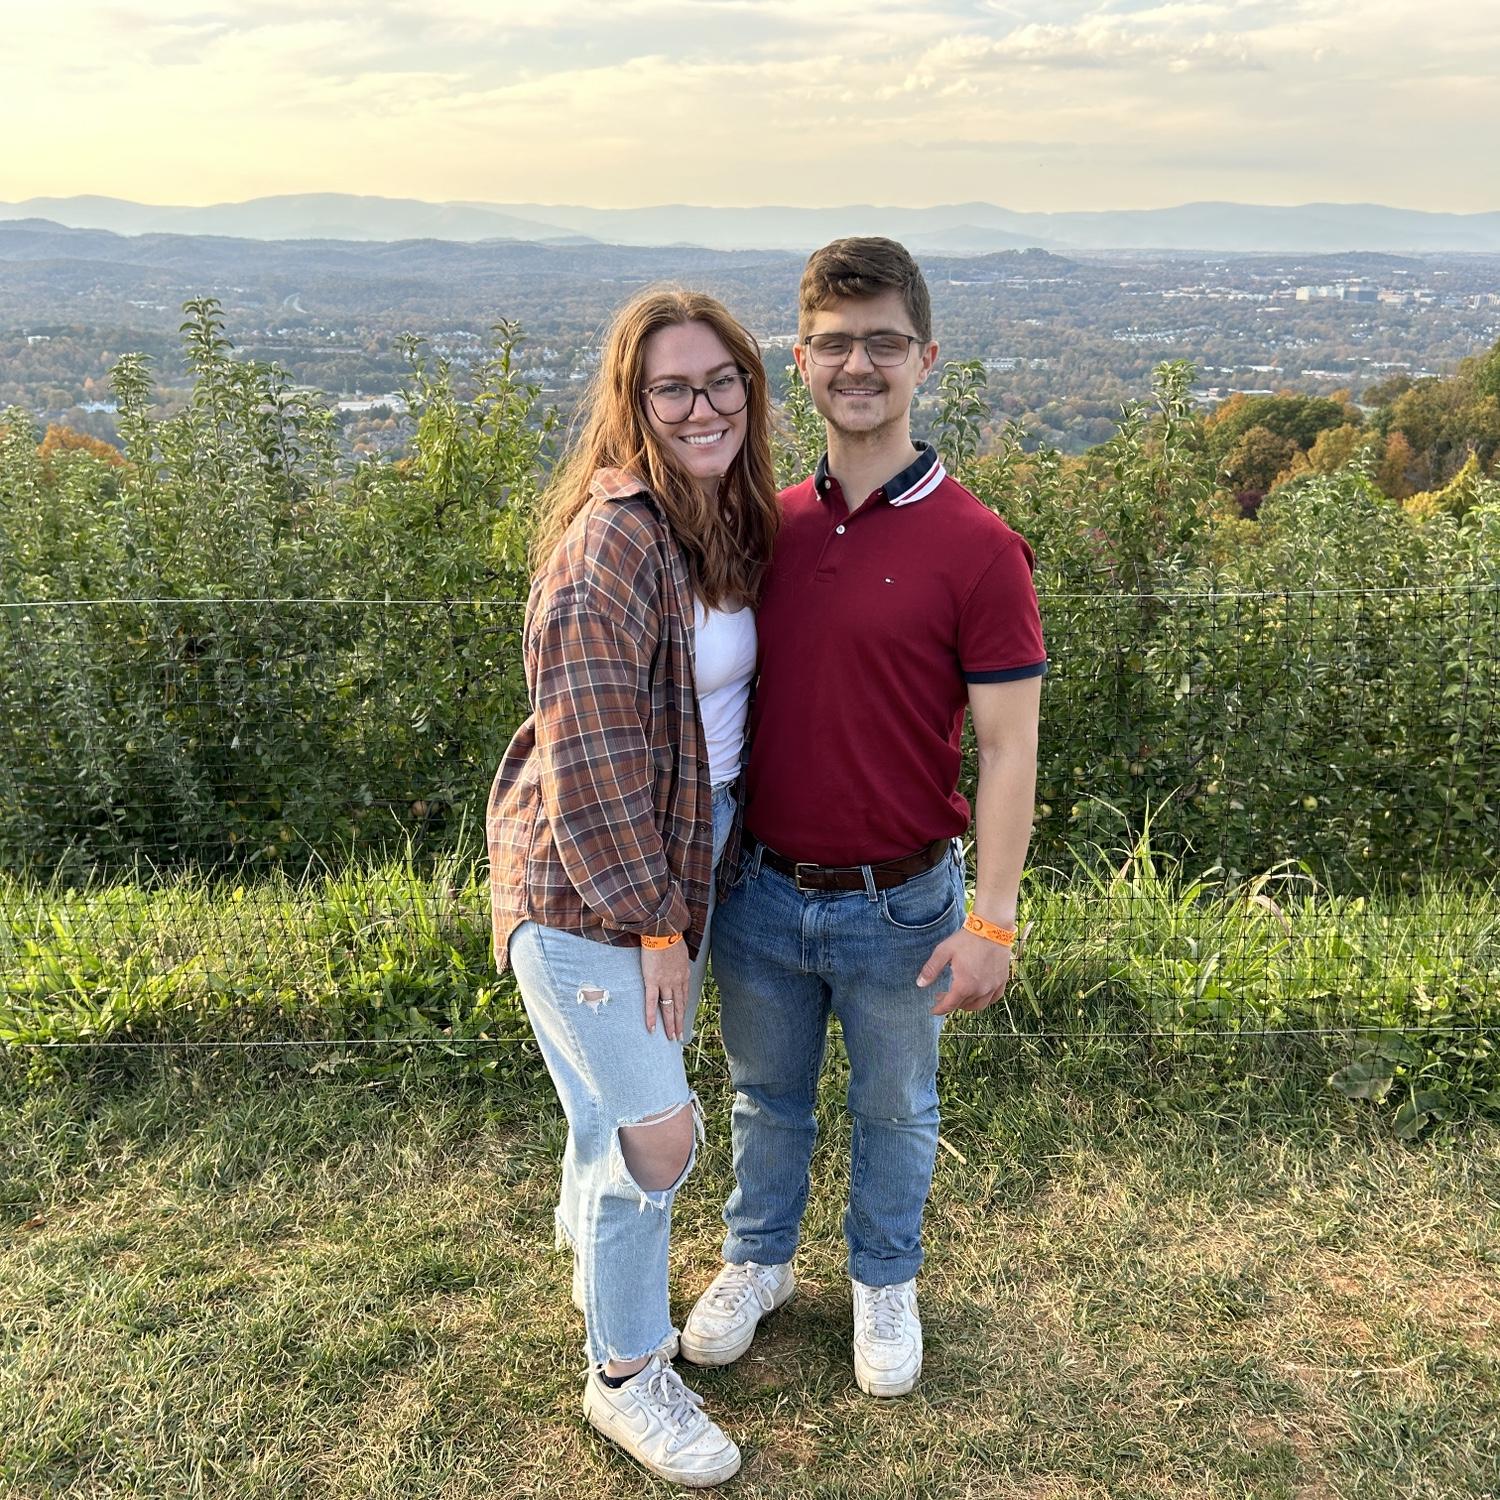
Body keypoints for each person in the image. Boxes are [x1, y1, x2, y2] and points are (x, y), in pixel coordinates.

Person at [681, 237, 1046, 1399]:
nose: (859, 364)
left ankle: (885, 1277)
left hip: (905, 900)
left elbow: (1007, 745)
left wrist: (993, 920)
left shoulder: (981, 548)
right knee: (763, 1097)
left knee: (897, 1108)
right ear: (800, 360)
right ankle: (759, 1260)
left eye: (883, 342)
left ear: (924, 359)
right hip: (760, 890)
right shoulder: (760, 527)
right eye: (834, 343)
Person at [487, 288, 778, 1486]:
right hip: (593, 889)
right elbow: (592, 761)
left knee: (612, 1120)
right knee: (657, 1140)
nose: (702, 404)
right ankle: (624, 1375)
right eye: (674, 386)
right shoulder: (612, 543)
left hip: (675, 861)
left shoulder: (716, 520)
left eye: (722, 382)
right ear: (634, 402)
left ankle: (596, 1258)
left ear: (749, 393)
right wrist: (656, 920)